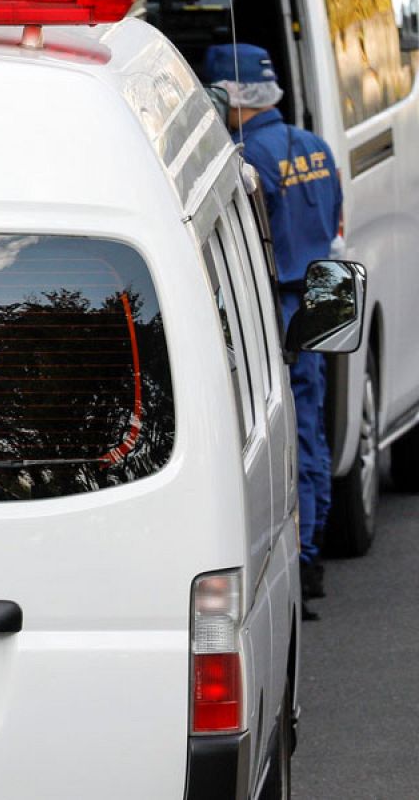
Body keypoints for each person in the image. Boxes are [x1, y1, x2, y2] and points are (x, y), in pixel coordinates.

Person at [206, 44, 344, 618]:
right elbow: (335, 223)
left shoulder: (246, 159)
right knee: (310, 430)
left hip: (275, 307)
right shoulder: (317, 147)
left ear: (233, 96)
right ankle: (311, 556)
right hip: (324, 297)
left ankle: (280, 563)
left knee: (263, 432)